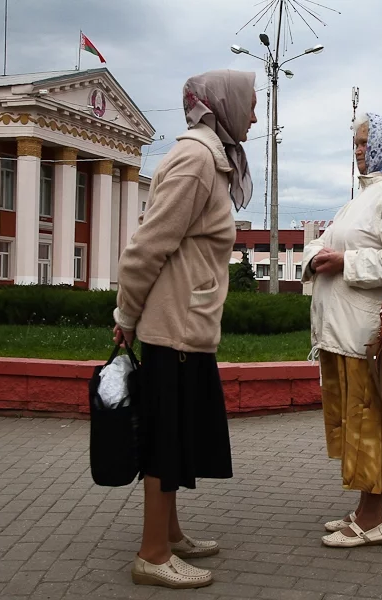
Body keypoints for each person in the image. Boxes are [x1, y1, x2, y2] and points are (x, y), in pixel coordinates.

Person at [112, 69, 257, 589]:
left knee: (177, 436)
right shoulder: (197, 161)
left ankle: (169, 534)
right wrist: (125, 317)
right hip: (171, 328)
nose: (256, 115)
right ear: (225, 106)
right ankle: (152, 553)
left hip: (186, 326)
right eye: (251, 104)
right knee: (165, 440)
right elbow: (146, 247)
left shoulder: (211, 159)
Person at [302, 112, 382, 548]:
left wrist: (344, 262)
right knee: (354, 422)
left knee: (370, 422)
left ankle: (372, 519)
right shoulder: (363, 196)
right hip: (340, 331)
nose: (358, 151)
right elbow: (329, 240)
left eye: (364, 143)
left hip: (368, 335)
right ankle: (362, 509)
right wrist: (319, 253)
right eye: (354, 144)